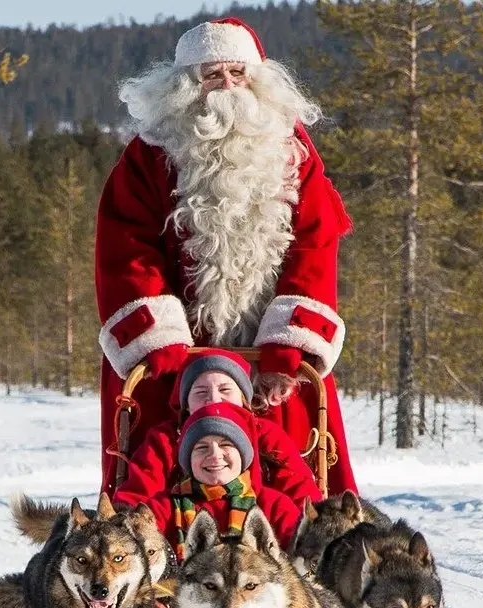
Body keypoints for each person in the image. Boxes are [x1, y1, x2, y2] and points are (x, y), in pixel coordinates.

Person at [95, 16, 357, 501]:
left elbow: (315, 247)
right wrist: (160, 344)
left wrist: (287, 346)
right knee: (157, 470)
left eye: (239, 74)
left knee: (293, 474)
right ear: (182, 88)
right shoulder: (146, 157)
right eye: (212, 75)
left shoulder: (295, 157)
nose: (227, 87)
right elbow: (126, 252)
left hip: (269, 357)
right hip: (175, 362)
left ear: (260, 82)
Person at [113, 349, 322, 511]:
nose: (213, 399)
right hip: (182, 528)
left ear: (243, 399)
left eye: (225, 390)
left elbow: (298, 487)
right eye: (201, 391)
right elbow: (140, 491)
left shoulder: (265, 434)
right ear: (186, 403)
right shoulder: (166, 438)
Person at [145, 402, 302, 559]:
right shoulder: (165, 506)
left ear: (243, 455)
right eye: (202, 448)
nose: (215, 455)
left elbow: (304, 551)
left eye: (226, 444)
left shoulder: (274, 505)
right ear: (188, 460)